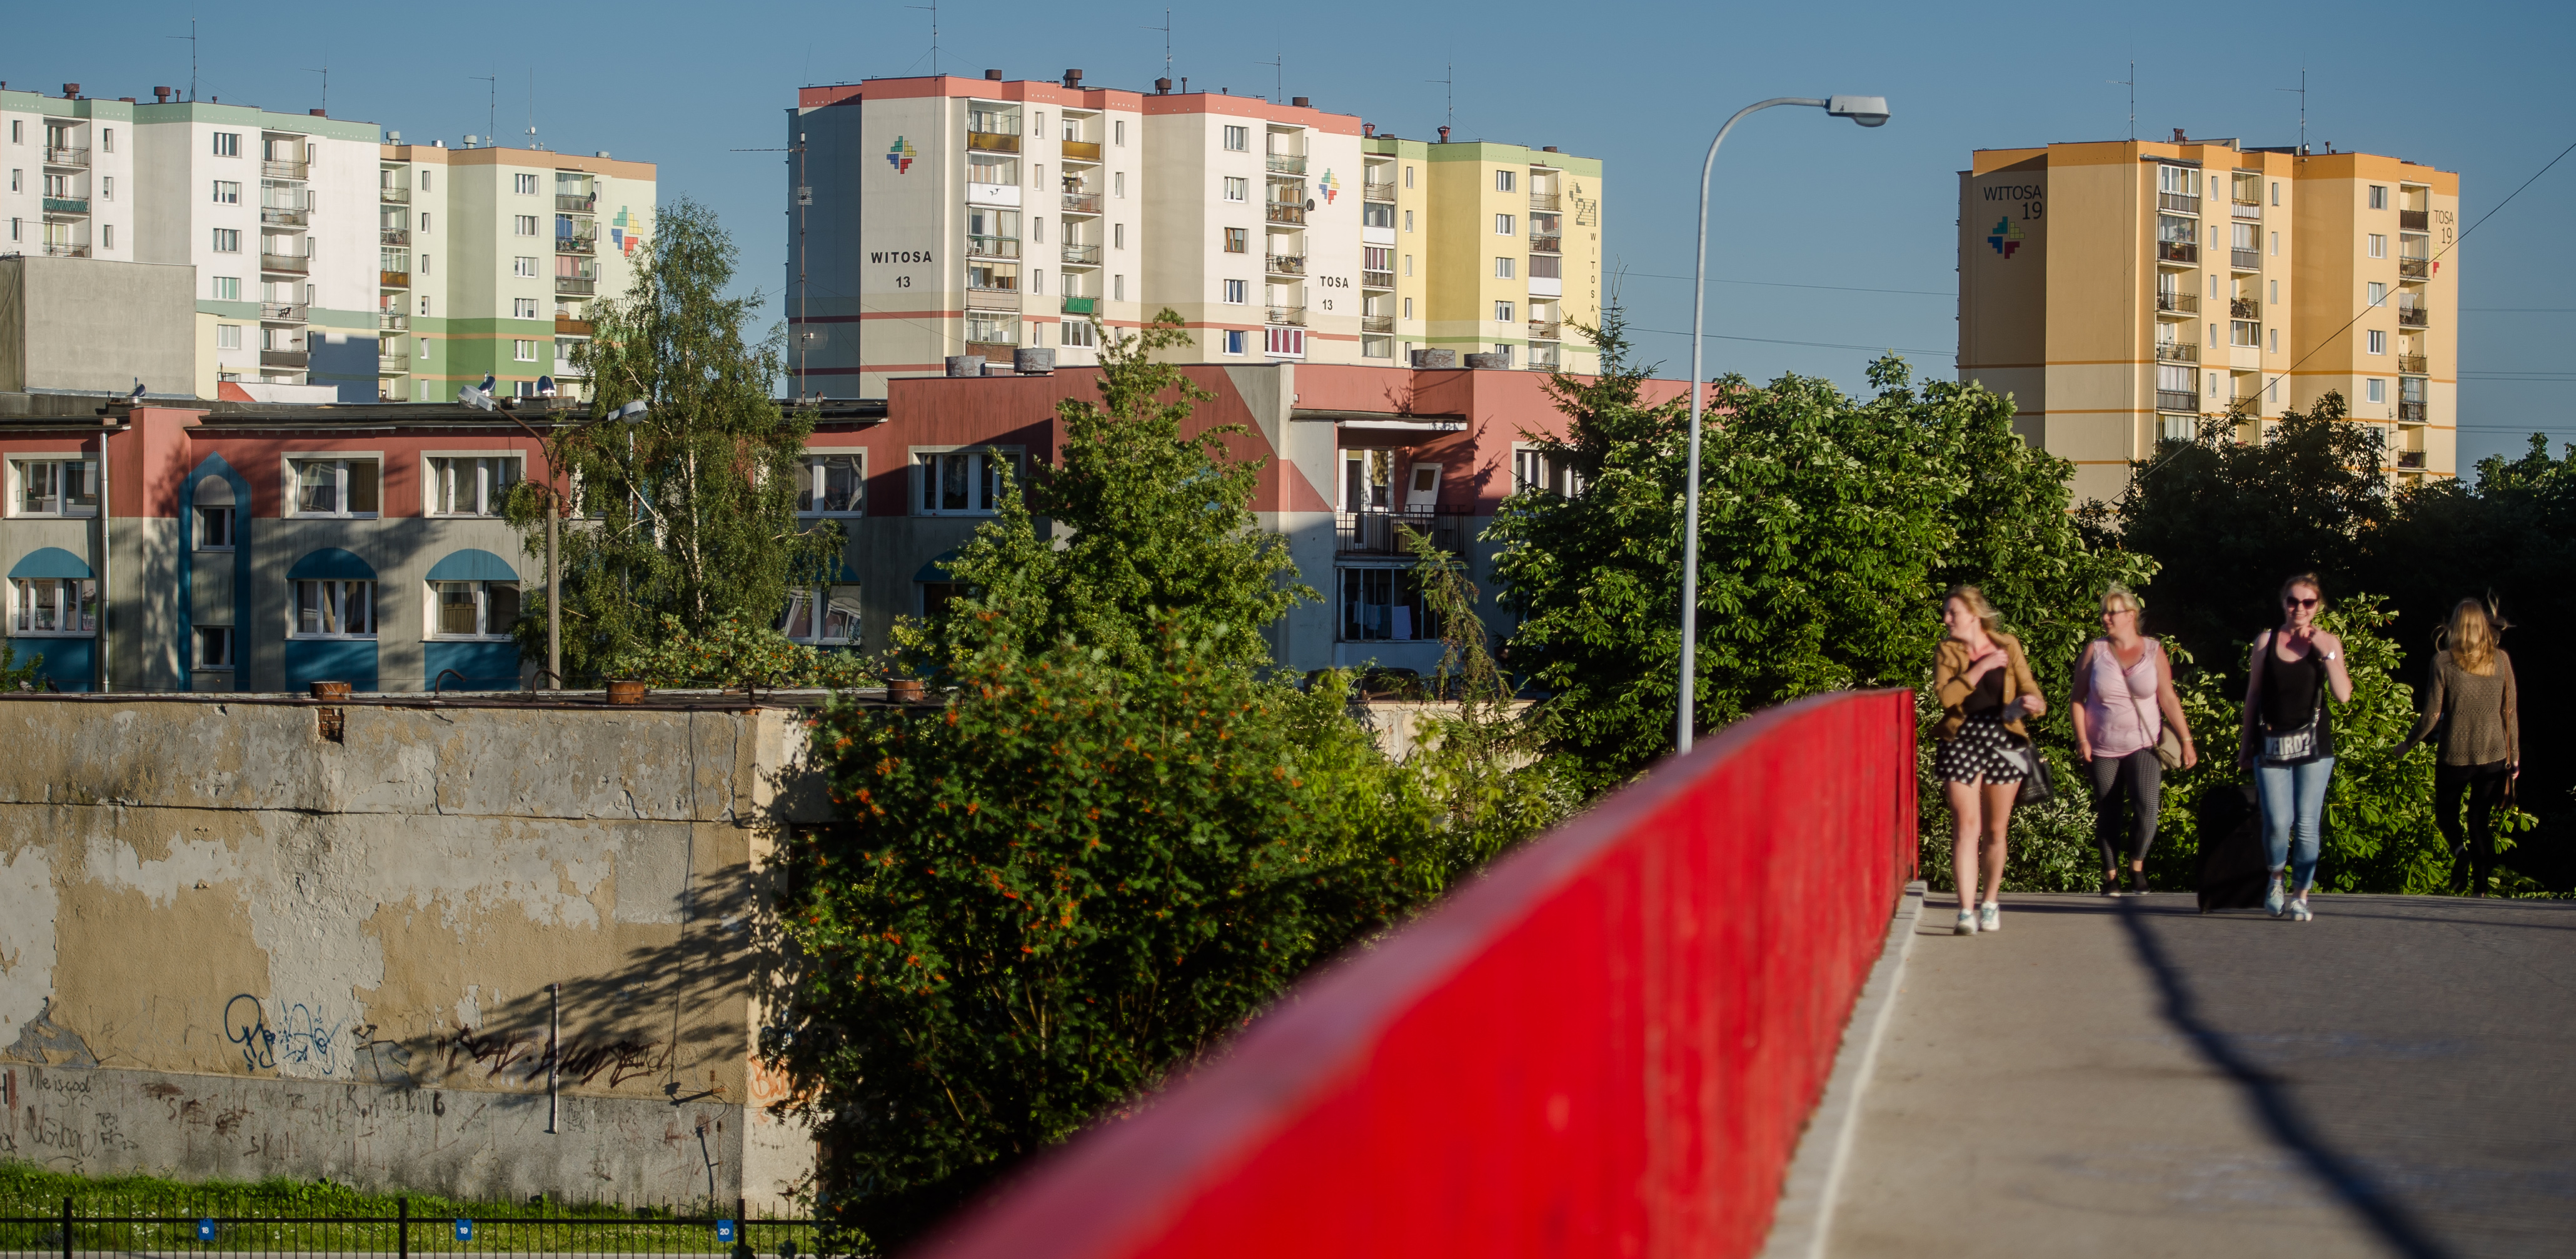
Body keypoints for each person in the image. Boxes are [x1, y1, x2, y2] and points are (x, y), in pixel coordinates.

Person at [2237, 573, 2353, 921]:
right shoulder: (2266, 641)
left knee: (2306, 823)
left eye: (2308, 602)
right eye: (2293, 601)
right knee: (2277, 820)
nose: (2299, 608)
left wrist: (2326, 651)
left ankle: (2301, 894)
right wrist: (2245, 747)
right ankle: (2276, 877)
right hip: (2271, 743)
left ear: (2318, 606)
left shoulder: (2328, 642)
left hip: (2314, 745)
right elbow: (2253, 696)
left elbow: (2343, 694)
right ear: (2283, 602)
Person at [2071, 585, 2198, 896]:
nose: (2105, 618)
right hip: (2102, 746)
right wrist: (2082, 740)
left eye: (2112, 612)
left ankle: (2137, 866)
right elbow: (2077, 699)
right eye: (2103, 612)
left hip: (2144, 743)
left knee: (2147, 806)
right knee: (2109, 810)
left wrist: (2186, 740)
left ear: (2130, 615)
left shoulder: (2153, 650)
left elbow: (2167, 696)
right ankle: (2111, 875)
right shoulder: (2095, 650)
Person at [1933, 586, 2045, 935]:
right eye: (1946, 613)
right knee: (1967, 827)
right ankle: (1966, 912)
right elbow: (1946, 698)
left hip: (2005, 737)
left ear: (1974, 614)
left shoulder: (2008, 644)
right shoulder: (1947, 650)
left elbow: (2029, 687)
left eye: (1953, 612)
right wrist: (1980, 667)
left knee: (1997, 829)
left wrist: (2035, 704)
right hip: (1961, 738)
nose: (1946, 619)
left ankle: (1990, 902)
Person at [2395, 598, 2520, 896]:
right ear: (2483, 626)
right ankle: (2480, 891)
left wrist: (2407, 745)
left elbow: (2431, 715)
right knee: (2479, 822)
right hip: (2493, 755)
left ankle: (2459, 853)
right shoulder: (2501, 660)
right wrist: (2514, 758)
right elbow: (2509, 711)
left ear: (2454, 627)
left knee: (2445, 814)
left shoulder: (2442, 661)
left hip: (2454, 755)